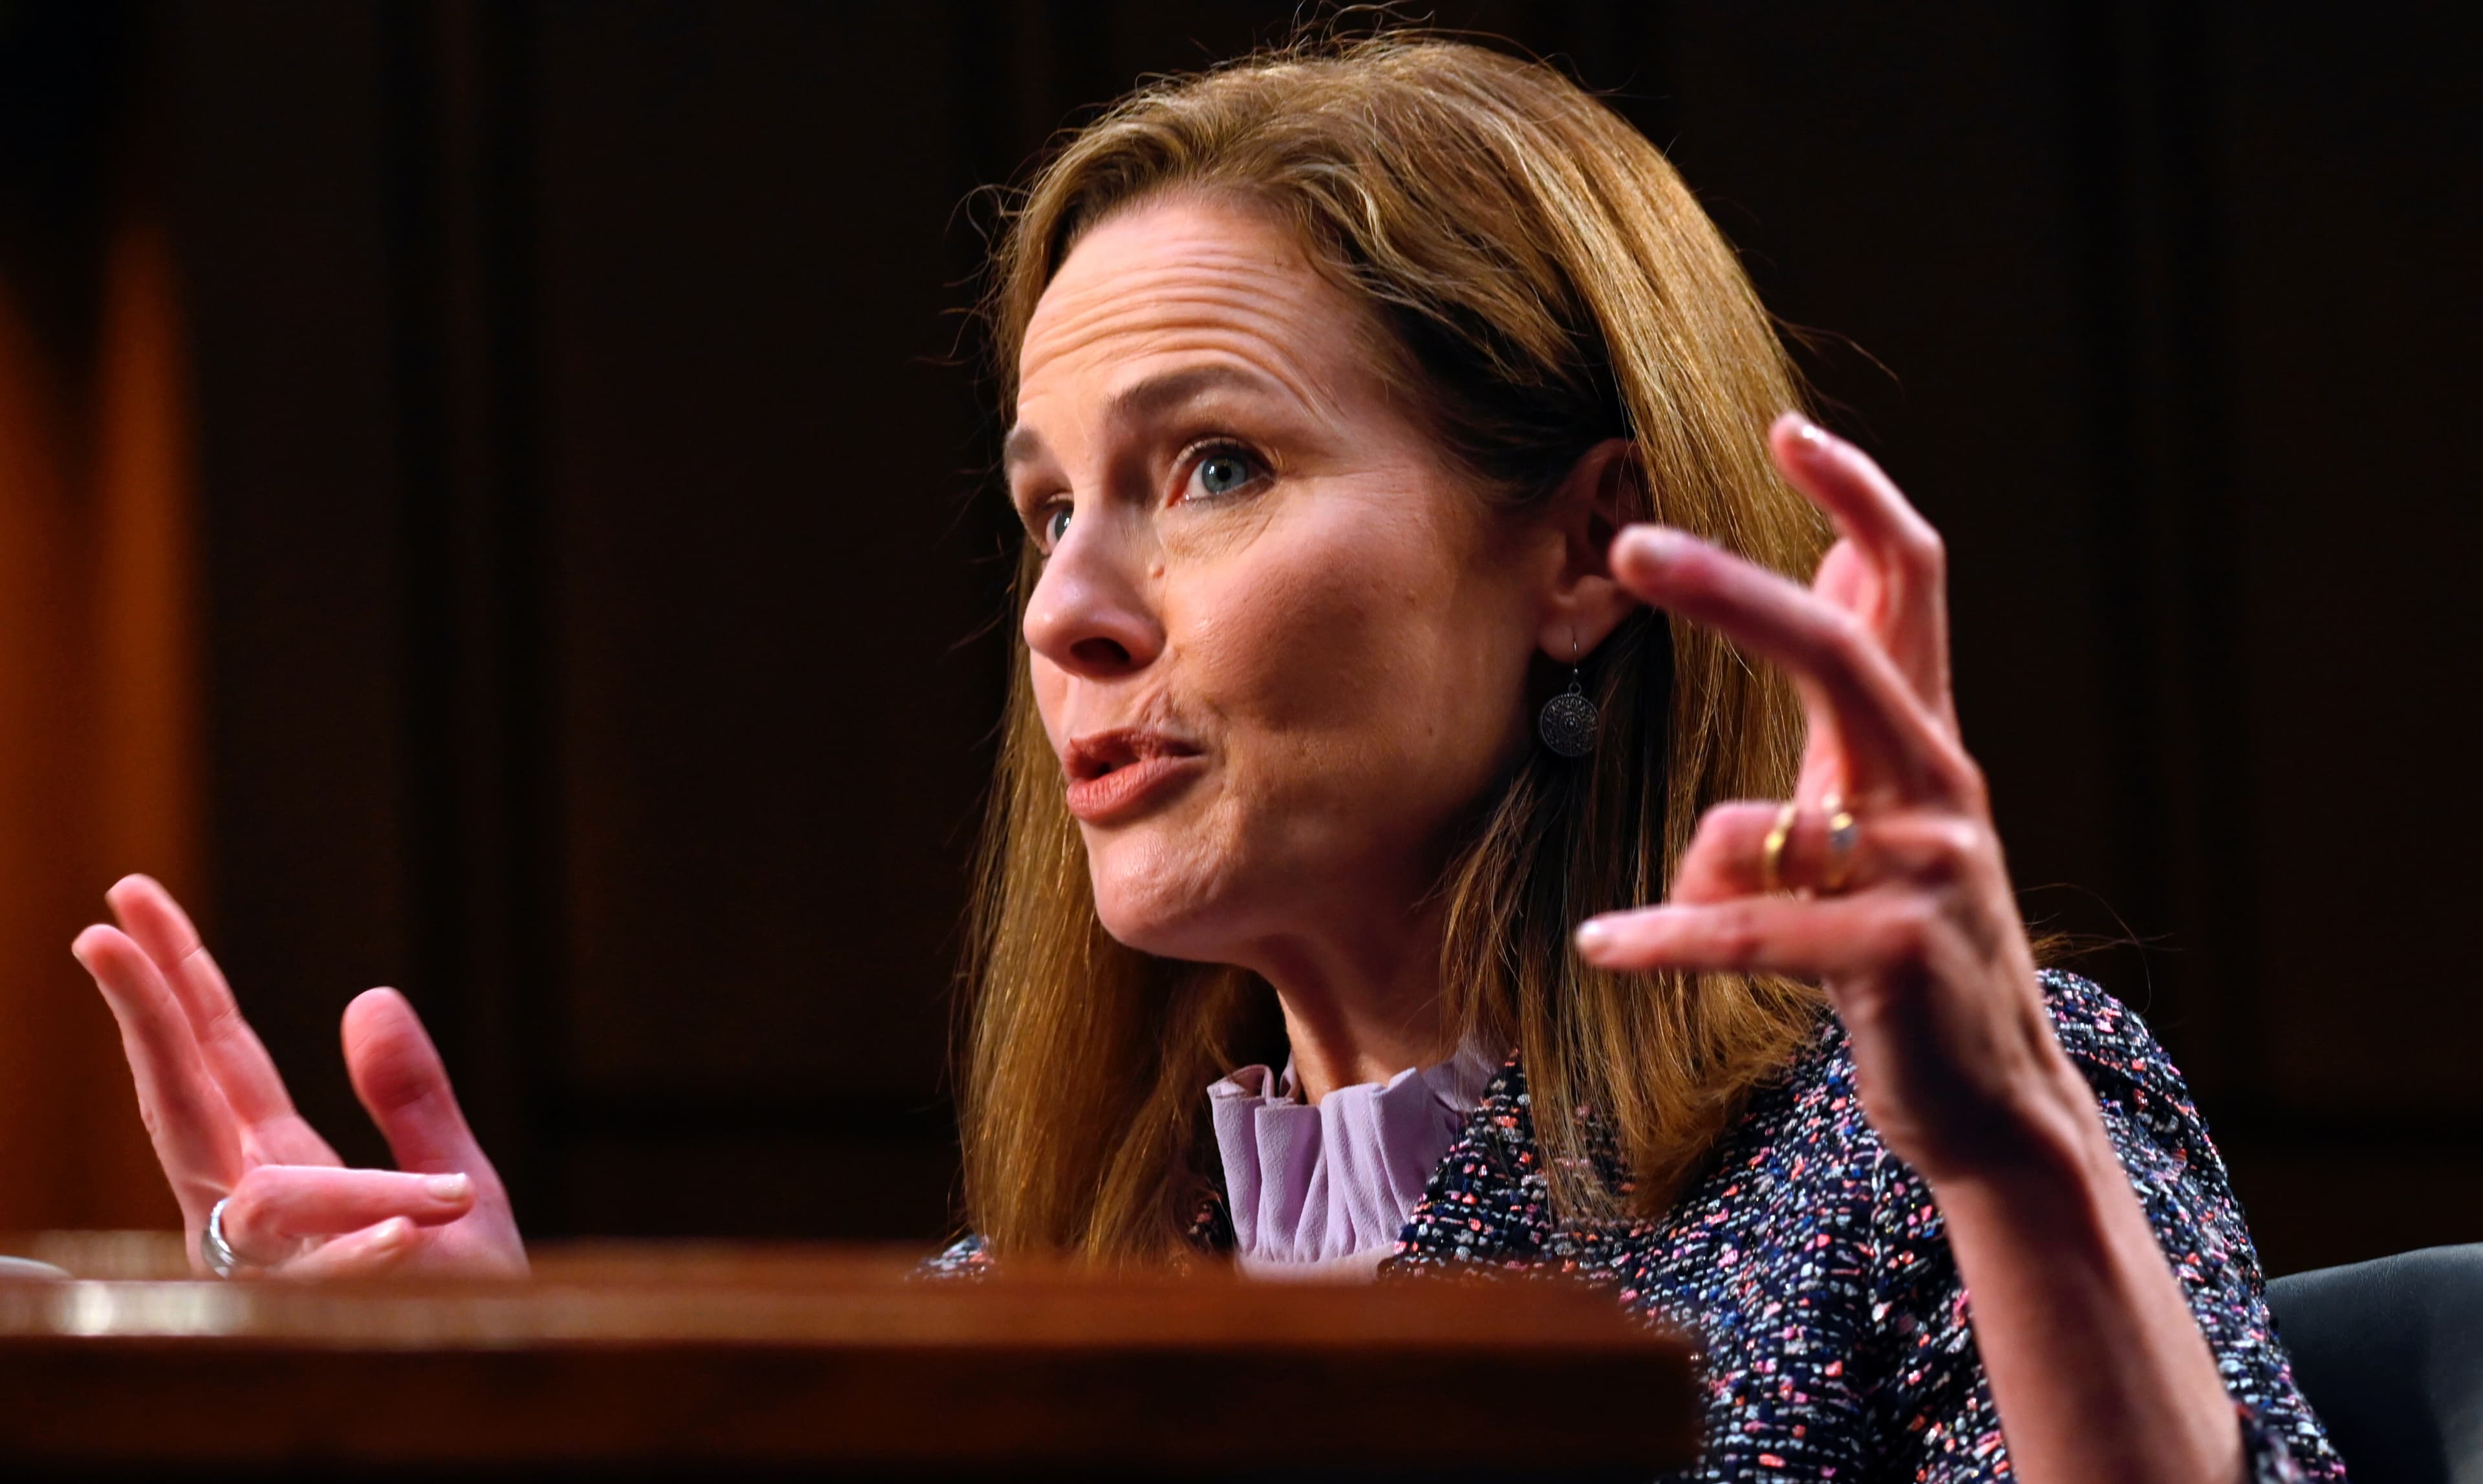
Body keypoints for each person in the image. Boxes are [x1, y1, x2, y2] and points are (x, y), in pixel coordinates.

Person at [72, 34, 2341, 1483]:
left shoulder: (1892, 1171)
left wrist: (2022, 1170)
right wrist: (521, 1440)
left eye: (1216, 467)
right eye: (1047, 504)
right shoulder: (1009, 1336)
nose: (1066, 605)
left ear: (1581, 550)